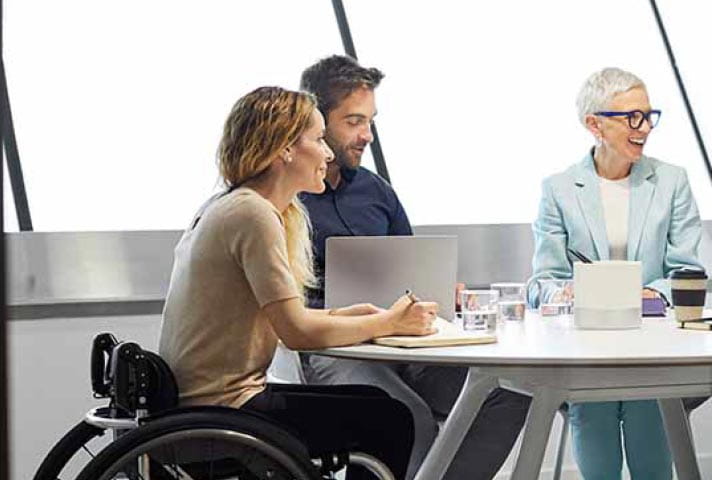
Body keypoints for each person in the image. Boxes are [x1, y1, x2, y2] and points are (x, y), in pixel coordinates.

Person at [158, 86, 438, 479]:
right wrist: (390, 323)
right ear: (285, 148)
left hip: (209, 403)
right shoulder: (252, 215)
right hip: (224, 409)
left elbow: (285, 315)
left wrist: (348, 313)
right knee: (389, 417)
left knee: (377, 406)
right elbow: (296, 332)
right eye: (318, 139)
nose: (326, 153)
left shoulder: (234, 207)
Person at [295, 55, 528, 480]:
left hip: (401, 341)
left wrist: (437, 288)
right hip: (333, 349)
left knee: (507, 393)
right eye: (353, 122)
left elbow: (411, 268)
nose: (366, 135)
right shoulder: (288, 197)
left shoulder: (375, 190)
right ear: (315, 119)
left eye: (370, 121)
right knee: (405, 414)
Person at [527, 67, 706, 480]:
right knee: (596, 430)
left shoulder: (672, 181)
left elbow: (686, 271)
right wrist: (564, 293)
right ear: (594, 124)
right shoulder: (558, 189)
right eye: (631, 117)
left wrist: (649, 295)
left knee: (651, 438)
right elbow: (543, 282)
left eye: (648, 115)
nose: (643, 127)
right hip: (587, 345)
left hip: (653, 342)